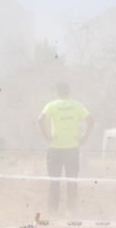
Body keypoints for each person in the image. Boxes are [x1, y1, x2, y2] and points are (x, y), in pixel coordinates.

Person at [38, 82, 94, 211]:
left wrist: (47, 137)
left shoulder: (52, 105)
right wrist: (84, 138)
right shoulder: (76, 105)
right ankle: (72, 211)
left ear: (57, 92)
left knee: (54, 181)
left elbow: (40, 119)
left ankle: (52, 212)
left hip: (55, 148)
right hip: (72, 149)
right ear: (69, 92)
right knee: (72, 181)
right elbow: (91, 120)